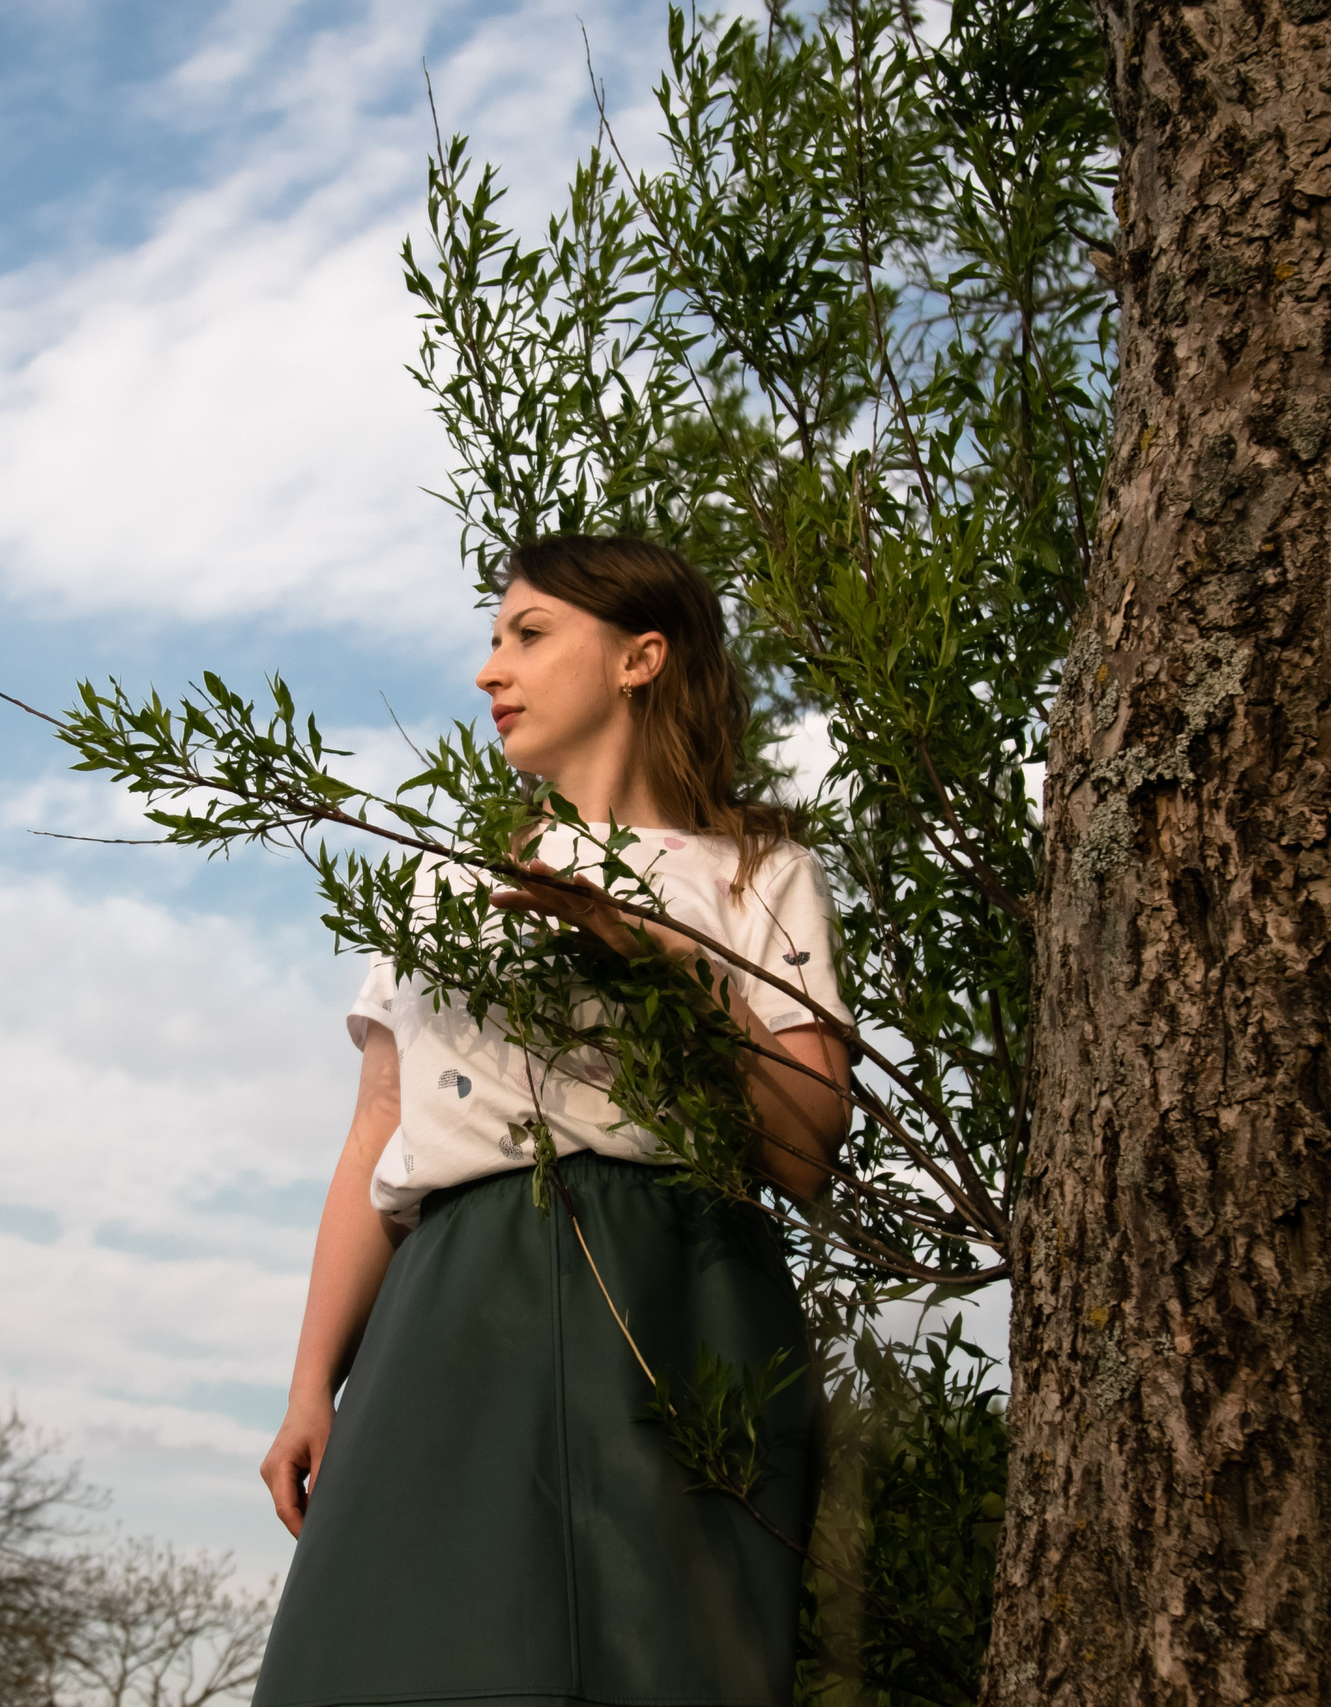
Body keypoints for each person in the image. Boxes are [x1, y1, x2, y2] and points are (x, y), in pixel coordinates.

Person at [251, 536, 853, 1707]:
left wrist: (667, 958)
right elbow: (379, 1128)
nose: (489, 670)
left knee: (675, 1663)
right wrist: (311, 1385)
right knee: (400, 1654)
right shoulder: (444, 886)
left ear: (640, 657)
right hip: (457, 1298)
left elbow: (805, 1144)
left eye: (526, 635)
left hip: (686, 1288)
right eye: (490, 640)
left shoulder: (757, 876)